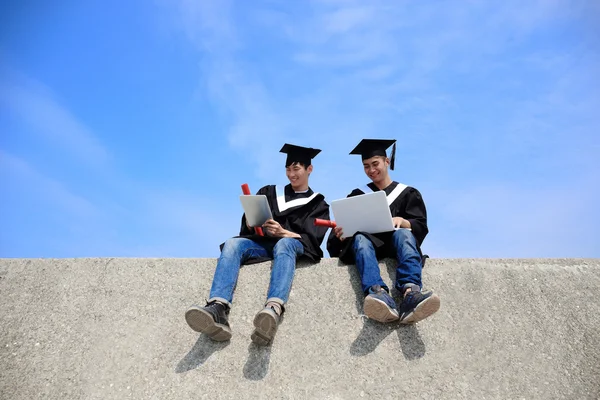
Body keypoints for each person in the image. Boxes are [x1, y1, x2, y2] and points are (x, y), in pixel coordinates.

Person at [186, 144, 330, 345]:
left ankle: (273, 308)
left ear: (309, 169)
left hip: (291, 246)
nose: (291, 174)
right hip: (264, 243)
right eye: (288, 169)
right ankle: (218, 307)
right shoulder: (270, 192)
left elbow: (313, 239)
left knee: (284, 244)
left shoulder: (319, 204)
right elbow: (248, 226)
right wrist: (252, 220)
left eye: (296, 169)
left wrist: (283, 233)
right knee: (232, 244)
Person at [327, 139, 440, 324]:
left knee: (403, 233)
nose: (371, 170)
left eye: (375, 164)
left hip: (397, 245)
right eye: (366, 166)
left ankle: (411, 292)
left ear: (387, 162)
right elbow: (338, 238)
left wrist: (403, 221)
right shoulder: (357, 195)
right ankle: (377, 294)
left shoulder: (407, 193)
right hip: (369, 247)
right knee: (361, 239)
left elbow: (420, 226)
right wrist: (340, 235)